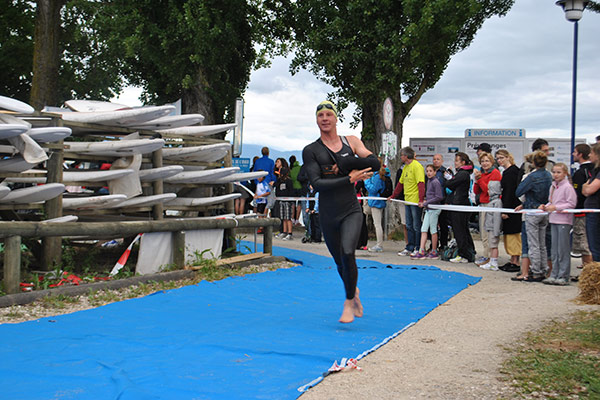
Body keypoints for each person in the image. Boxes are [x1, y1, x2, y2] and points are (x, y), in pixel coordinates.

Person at [302, 100, 380, 323]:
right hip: (328, 212)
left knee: (348, 252)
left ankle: (348, 301)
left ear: (336, 118)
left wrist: (346, 166)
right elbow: (317, 184)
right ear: (317, 121)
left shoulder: (351, 141)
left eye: (329, 114)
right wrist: (351, 178)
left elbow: (374, 162)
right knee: (339, 262)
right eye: (320, 116)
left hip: (350, 210)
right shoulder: (311, 150)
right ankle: (353, 291)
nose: (325, 118)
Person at [513, 151, 552, 282]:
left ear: (533, 163)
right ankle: (543, 268)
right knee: (542, 243)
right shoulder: (549, 175)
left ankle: (536, 271)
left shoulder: (531, 177)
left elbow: (518, 191)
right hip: (544, 210)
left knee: (533, 243)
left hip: (532, 210)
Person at [539, 163, 576, 285]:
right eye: (554, 172)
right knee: (554, 249)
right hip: (553, 219)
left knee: (563, 249)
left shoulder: (568, 187)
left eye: (558, 172)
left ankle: (563, 275)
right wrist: (546, 206)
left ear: (565, 173)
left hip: (564, 220)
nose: (555, 174)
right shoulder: (553, 186)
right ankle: (554, 273)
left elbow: (571, 204)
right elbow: (552, 201)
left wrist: (556, 207)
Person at [390, 147, 425, 257]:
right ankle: (409, 247)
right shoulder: (405, 167)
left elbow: (421, 184)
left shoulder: (417, 166)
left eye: (401, 155)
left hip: (415, 202)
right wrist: (393, 196)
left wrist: (420, 199)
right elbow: (400, 185)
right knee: (409, 225)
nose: (400, 157)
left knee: (416, 225)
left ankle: (418, 247)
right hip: (407, 200)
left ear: (406, 156)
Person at [444, 152, 476, 263]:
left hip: (460, 204)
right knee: (463, 229)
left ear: (463, 162)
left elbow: (450, 184)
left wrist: (448, 178)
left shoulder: (463, 174)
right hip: (459, 203)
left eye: (457, 160)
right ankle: (470, 252)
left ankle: (464, 254)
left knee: (459, 230)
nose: (455, 162)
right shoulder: (463, 173)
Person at [473, 152, 502, 267]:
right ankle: (485, 255)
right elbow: (477, 191)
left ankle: (490, 256)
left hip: (491, 204)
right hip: (482, 204)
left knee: (489, 232)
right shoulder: (482, 174)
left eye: (487, 161)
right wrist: (476, 180)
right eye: (483, 161)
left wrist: (480, 181)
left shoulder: (495, 173)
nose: (484, 163)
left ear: (491, 162)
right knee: (483, 232)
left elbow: (488, 190)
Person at [495, 149, 521, 272]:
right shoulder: (511, 171)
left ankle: (515, 261)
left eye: (501, 158)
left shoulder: (511, 172)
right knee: (510, 234)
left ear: (507, 157)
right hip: (511, 205)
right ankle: (513, 259)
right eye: (498, 158)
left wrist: (505, 210)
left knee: (512, 235)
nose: (499, 160)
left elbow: (509, 192)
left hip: (511, 207)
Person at [411, 164, 443, 259]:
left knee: (433, 230)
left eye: (430, 171)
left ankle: (434, 250)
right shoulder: (429, 181)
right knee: (423, 229)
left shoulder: (435, 182)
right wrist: (425, 201)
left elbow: (439, 197)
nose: (428, 173)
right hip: (429, 209)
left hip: (434, 209)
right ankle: (421, 250)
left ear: (434, 172)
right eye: (427, 171)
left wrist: (426, 202)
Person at [571, 143, 594, 268]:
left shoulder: (581, 172)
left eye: (574, 152)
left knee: (584, 244)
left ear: (580, 154)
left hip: (582, 212)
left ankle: (588, 272)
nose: (573, 154)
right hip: (591, 211)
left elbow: (578, 194)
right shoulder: (594, 169)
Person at [364, 161, 388, 253]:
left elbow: (373, 189)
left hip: (376, 202)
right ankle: (378, 243)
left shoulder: (378, 176)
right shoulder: (376, 175)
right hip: (373, 201)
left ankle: (379, 244)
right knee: (376, 222)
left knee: (377, 224)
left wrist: (366, 181)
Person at [582, 143, 600, 261]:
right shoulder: (595, 171)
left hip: (596, 214)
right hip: (592, 212)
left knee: (595, 246)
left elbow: (588, 189)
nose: (589, 155)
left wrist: (585, 185)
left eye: (592, 153)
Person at [432, 154, 450, 249]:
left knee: (443, 224)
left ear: (442, 161)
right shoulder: (430, 171)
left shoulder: (445, 172)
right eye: (434, 159)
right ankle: (433, 245)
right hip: (432, 202)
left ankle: (443, 245)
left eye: (438, 159)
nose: (436, 161)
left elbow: (450, 187)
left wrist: (447, 201)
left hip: (443, 202)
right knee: (432, 225)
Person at [275, 164, 294, 240]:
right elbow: (277, 189)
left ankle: (290, 233)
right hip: (281, 200)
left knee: (288, 217)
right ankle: (284, 231)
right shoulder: (279, 181)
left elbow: (291, 191)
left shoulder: (289, 181)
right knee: (283, 217)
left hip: (287, 201)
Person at [289, 155, 303, 225]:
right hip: (300, 187)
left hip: (293, 188)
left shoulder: (290, 169)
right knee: (299, 204)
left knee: (293, 204)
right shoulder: (300, 168)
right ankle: (297, 219)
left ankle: (292, 219)